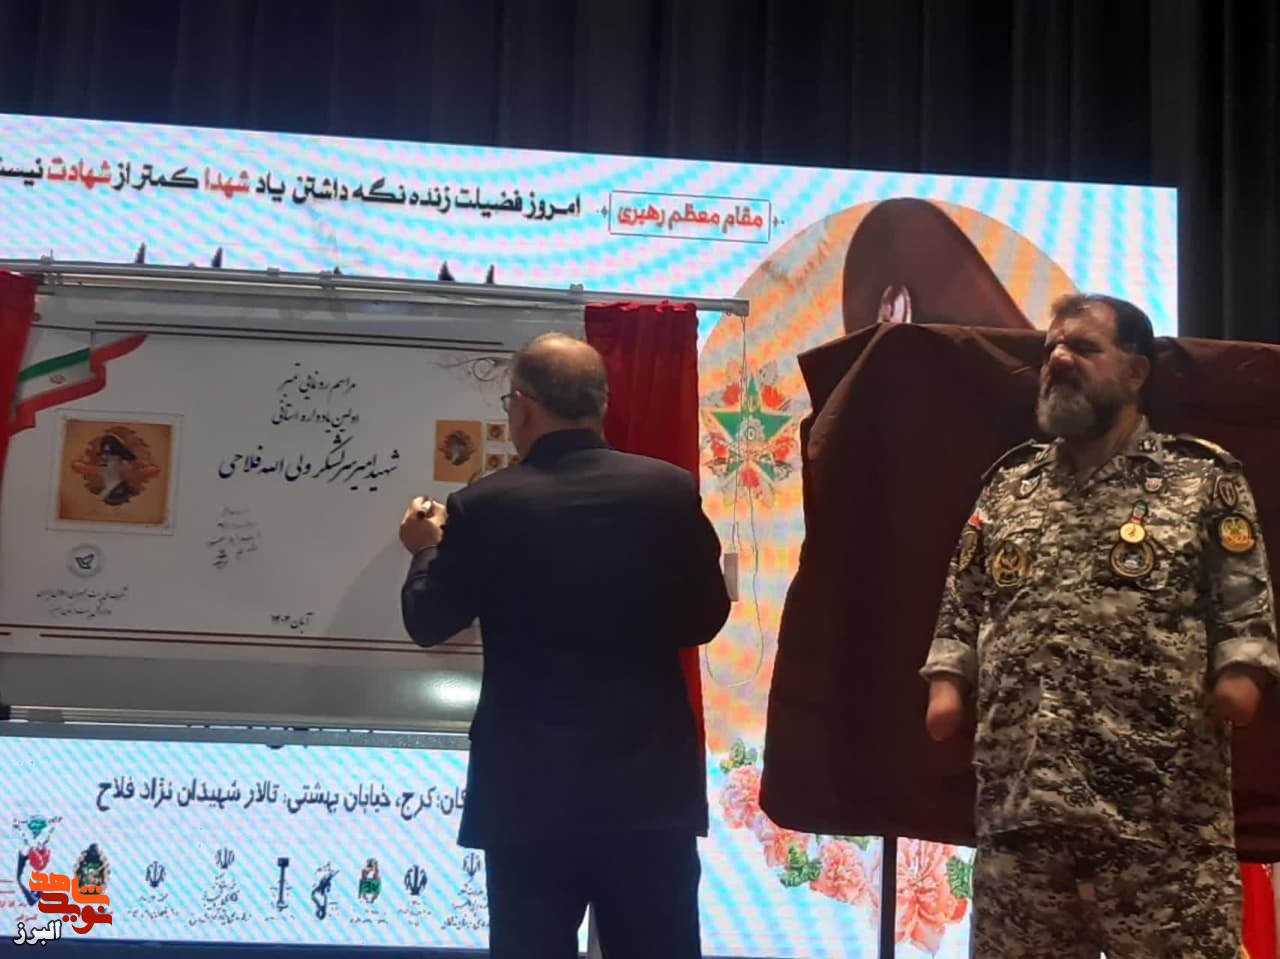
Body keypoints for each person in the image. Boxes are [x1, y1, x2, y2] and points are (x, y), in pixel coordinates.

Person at [920, 293, 1280, 957]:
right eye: (1051, 349)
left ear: (1136, 372)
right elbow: (963, 599)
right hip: (1024, 813)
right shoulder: (1009, 487)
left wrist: (1242, 674)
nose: (1058, 360)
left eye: (1084, 348)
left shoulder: (1202, 479)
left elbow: (1245, 606)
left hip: (1162, 822)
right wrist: (948, 679)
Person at [398, 332, 731, 959]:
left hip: (530, 796)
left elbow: (428, 621)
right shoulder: (669, 491)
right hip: (648, 790)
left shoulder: (482, 506)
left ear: (523, 407)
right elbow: (706, 618)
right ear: (600, 404)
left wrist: (425, 550)